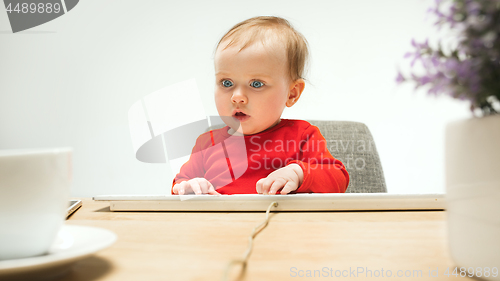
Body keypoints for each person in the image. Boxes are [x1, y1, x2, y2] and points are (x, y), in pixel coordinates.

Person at [172, 16, 349, 195]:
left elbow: (338, 180)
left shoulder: (303, 136)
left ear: (292, 93)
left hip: (281, 222)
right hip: (221, 222)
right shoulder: (207, 144)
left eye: (256, 84)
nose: (237, 97)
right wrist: (190, 186)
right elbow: (179, 185)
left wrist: (298, 173)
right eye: (226, 83)